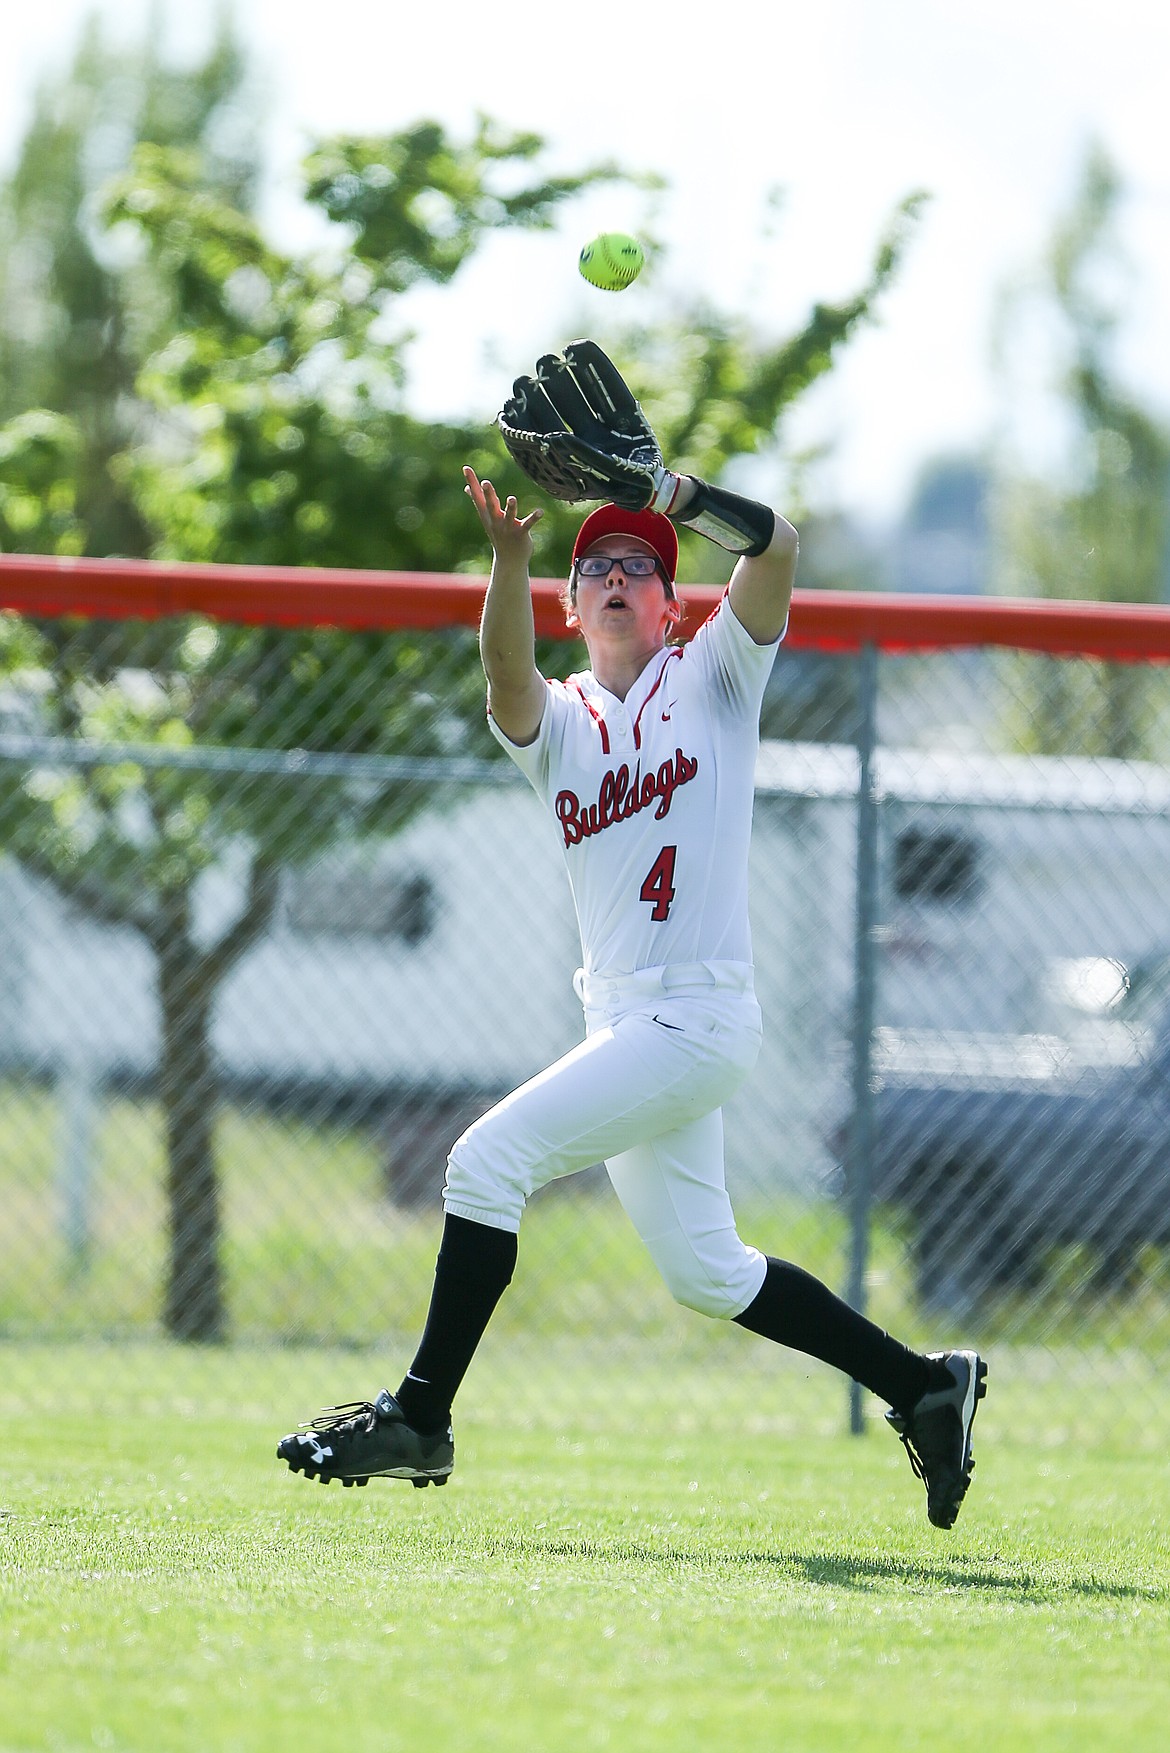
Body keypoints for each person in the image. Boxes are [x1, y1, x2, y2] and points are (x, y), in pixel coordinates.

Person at [278, 465, 987, 1529]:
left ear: (672, 603)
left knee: (485, 1160)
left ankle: (420, 1417)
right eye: (595, 568)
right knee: (709, 1272)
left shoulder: (717, 677)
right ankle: (926, 1386)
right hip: (625, 1021)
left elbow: (778, 547)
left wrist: (674, 490)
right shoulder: (560, 723)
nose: (617, 576)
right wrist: (510, 562)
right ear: (572, 605)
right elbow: (504, 683)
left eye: (641, 567)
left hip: (696, 1017)